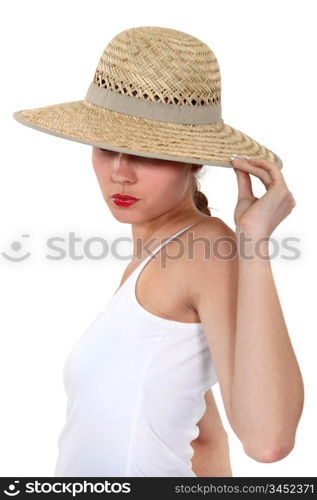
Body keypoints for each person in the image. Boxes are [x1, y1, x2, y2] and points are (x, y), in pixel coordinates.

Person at [12, 26, 304, 477]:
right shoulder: (152, 259)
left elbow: (268, 441)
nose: (120, 172)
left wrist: (254, 242)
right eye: (108, 147)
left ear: (193, 159)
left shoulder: (204, 247)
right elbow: (205, 438)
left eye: (146, 152)